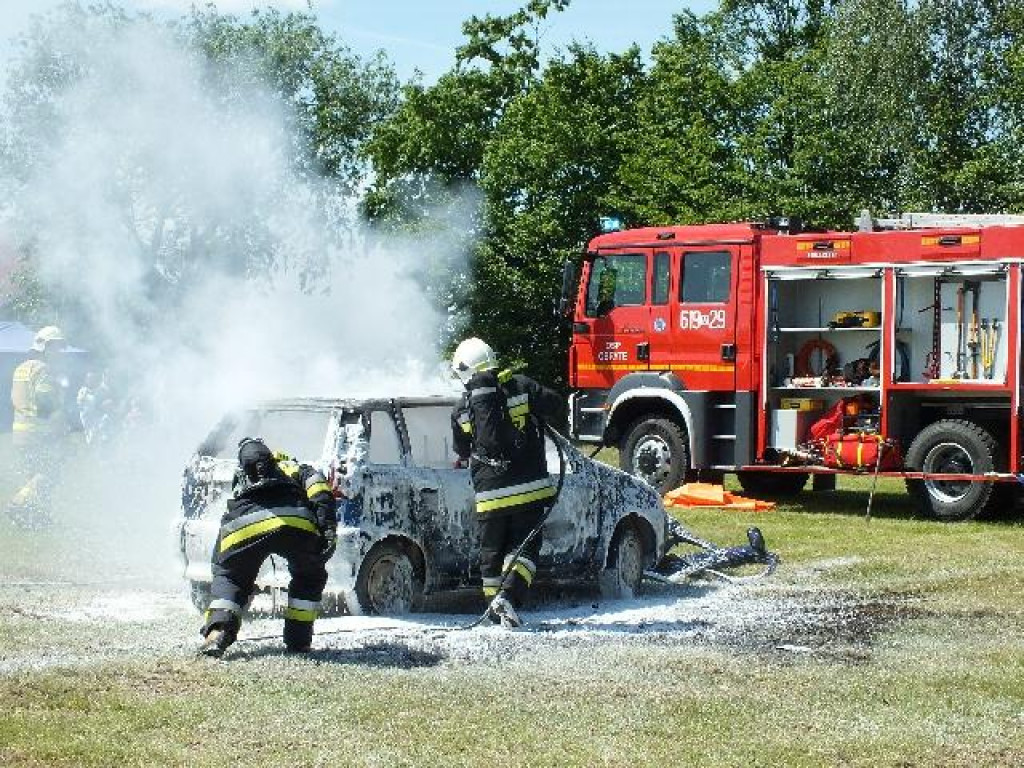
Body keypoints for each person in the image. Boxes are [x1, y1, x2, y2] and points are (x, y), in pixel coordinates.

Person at [450, 337, 565, 628]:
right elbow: (555, 403)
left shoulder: (462, 408)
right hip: (528, 491)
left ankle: (493, 610)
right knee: (524, 550)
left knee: (491, 555)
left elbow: (463, 452)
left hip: (489, 496)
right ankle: (509, 599)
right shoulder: (522, 387)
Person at [199, 437, 338, 658]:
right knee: (309, 576)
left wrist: (224, 560)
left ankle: (217, 632)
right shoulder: (292, 466)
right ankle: (299, 642)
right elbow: (319, 488)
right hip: (296, 521)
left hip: (244, 525)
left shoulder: (241, 473)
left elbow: (234, 506)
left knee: (231, 577)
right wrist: (327, 527)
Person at [8, 325, 68, 526]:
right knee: (50, 472)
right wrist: (58, 415)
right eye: (56, 347)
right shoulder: (43, 369)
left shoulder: (21, 368)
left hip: (20, 432)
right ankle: (17, 503)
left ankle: (34, 518)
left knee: (31, 476)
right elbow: (44, 400)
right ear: (44, 347)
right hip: (38, 433)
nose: (60, 352)